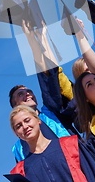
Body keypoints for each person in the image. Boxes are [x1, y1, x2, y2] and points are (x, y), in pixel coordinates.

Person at [9, 20, 74, 162]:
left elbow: (49, 78)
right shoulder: (19, 149)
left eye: (29, 91)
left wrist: (35, 39)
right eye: (21, 94)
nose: (28, 94)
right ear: (15, 107)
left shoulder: (51, 112)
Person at [9, 105, 95, 182]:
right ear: (16, 134)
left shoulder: (70, 145)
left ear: (38, 120)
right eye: (18, 126)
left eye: (27, 120)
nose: (24, 126)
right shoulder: (21, 171)